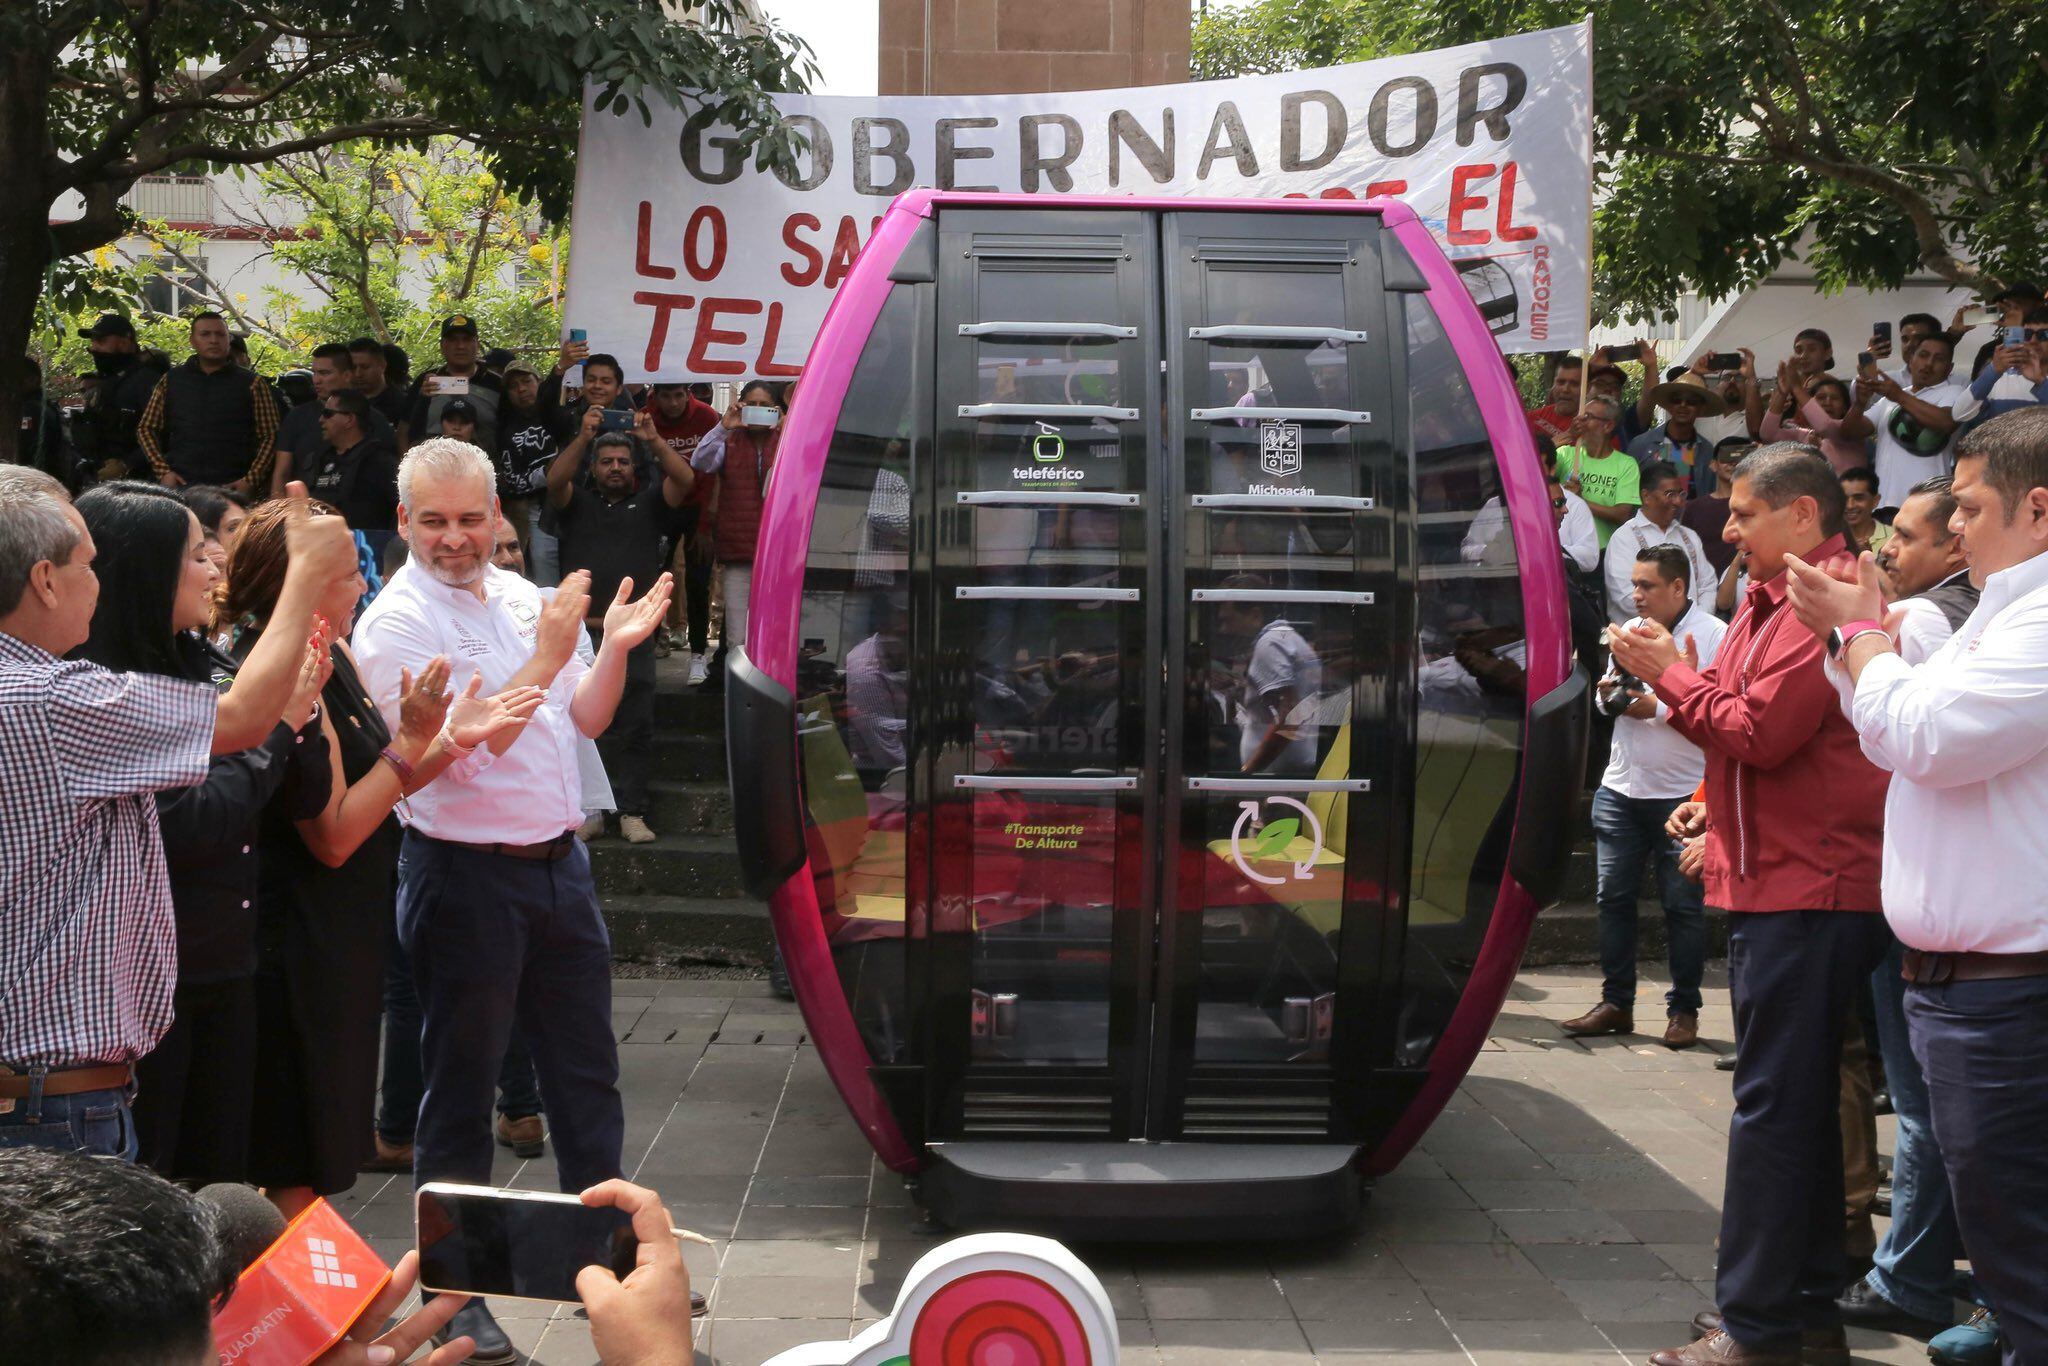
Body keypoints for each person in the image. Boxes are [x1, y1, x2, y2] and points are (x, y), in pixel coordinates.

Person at [352, 438, 671, 1361]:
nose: (454, 540)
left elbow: (586, 718)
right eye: (434, 521)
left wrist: (606, 649)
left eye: (470, 520)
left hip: (556, 865)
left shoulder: (526, 598)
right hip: (463, 874)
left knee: (586, 1075)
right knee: (460, 1089)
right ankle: (459, 1296)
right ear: (404, 522)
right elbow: (472, 742)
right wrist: (549, 651)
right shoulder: (396, 623)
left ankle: (613, 1272)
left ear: (499, 517)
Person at [1612, 445, 1891, 1366]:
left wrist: (1667, 673)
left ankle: (1758, 1323)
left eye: (1742, 514)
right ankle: (1798, 1309)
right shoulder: (1768, 601)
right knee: (1794, 1103)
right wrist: (1712, 799)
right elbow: (1742, 729)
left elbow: (1760, 732)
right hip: (1779, 874)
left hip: (1810, 885)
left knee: (1774, 1107)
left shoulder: (1830, 602)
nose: (1725, 531)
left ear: (1804, 517)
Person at [1785, 407, 2048, 1363]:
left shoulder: (2039, 618)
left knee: (2016, 1225)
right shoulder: (2003, 609)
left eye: (1970, 509)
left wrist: (1859, 638)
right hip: (1967, 982)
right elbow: (1899, 723)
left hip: (2008, 986)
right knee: (2005, 1221)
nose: (1955, 527)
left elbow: (1925, 740)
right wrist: (1853, 642)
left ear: (2039, 509)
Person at [0, 467, 358, 1157]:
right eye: (87, 566)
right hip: (55, 1097)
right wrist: (306, 577)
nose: (97, 586)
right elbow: (249, 720)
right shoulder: (55, 700)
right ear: (45, 580)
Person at [216, 500, 543, 1215]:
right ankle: (312, 1318)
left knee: (325, 1150)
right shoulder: (282, 670)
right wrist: (416, 744)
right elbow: (332, 833)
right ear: (294, 579)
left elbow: (387, 775)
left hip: (346, 933)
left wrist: (445, 738)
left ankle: (327, 1316)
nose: (362, 586)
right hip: (298, 937)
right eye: (342, 573)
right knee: (297, 1158)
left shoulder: (332, 653)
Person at [70, 482, 334, 1186]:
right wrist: (276, 726)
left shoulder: (210, 663)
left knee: (220, 1188)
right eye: (197, 552)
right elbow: (196, 824)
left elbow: (303, 796)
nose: (217, 563)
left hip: (233, 965)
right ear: (148, 569)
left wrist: (295, 724)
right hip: (150, 993)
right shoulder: (104, 690)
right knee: (152, 1190)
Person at [1808, 474, 1975, 1342]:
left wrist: (1856, 629)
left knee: (1918, 1101)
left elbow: (1898, 737)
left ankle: (1907, 1274)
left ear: (1956, 545)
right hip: (1912, 886)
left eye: (1905, 536)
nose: (1884, 550)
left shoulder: (1925, 621)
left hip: (1919, 894)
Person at [1565, 544, 1727, 1048]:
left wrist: (1651, 705)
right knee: (1611, 899)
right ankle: (1617, 1003)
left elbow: (1712, 706)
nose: (1636, 595)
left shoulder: (1714, 635)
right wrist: (1619, 698)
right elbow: (1607, 692)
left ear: (1679, 587)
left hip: (1682, 793)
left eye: (1648, 586)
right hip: (1620, 786)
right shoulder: (1630, 632)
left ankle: (1685, 1012)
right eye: (1634, 584)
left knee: (1683, 907)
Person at [548, 417, 694, 844]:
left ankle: (632, 812)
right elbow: (555, 481)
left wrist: (653, 440)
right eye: (607, 461)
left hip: (633, 635)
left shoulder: (650, 504)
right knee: (582, 726)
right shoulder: (576, 504)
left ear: (635, 468)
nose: (615, 467)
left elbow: (684, 479)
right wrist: (584, 438)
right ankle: (590, 811)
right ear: (593, 468)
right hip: (579, 636)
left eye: (623, 462)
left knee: (635, 724)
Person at [691, 380, 785, 683]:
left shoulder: (787, 439)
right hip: (739, 551)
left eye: (765, 406)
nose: (757, 412)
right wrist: (724, 425)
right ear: (740, 405)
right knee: (737, 638)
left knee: (777, 631)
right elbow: (700, 461)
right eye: (751, 405)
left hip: (779, 556)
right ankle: (738, 699)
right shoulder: (728, 441)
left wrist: (788, 427)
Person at [135, 311, 282, 493]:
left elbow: (270, 435)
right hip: (181, 484)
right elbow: (146, 428)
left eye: (220, 334)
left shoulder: (252, 382)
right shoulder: (172, 380)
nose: (213, 340)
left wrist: (251, 480)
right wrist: (163, 472)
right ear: (193, 341)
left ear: (228, 340)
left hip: (231, 486)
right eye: (205, 334)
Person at [641, 382, 722, 676]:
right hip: (661, 507)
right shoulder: (645, 417)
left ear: (688, 393)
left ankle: (698, 653)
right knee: (653, 579)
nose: (673, 403)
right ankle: (649, 642)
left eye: (679, 396)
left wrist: (704, 525)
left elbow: (713, 471)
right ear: (656, 396)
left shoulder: (707, 417)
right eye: (666, 396)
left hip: (698, 507)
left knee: (698, 581)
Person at [1845, 334, 1982, 503]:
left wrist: (1898, 395)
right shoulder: (1890, 396)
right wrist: (1859, 404)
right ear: (1911, 360)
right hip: (1884, 503)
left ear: (1949, 368)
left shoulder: (1955, 392)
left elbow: (1945, 423)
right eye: (1923, 355)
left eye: (1938, 359)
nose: (1929, 363)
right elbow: (1849, 433)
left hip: (1930, 503)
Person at [1601, 461, 1716, 625]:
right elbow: (1625, 597)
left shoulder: (1689, 536)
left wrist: (1694, 621)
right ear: (1646, 496)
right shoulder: (1624, 538)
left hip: (1693, 634)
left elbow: (1708, 586)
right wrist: (1679, 618)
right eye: (1670, 494)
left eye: (1681, 494)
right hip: (1641, 639)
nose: (1677, 501)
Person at [272, 343, 391, 495]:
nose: (316, 380)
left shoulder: (374, 419)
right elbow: (281, 473)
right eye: (314, 373)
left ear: (347, 375)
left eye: (324, 373)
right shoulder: (297, 416)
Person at [298, 389, 400, 557]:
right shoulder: (319, 459)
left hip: (366, 552)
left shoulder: (380, 462)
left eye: (328, 413)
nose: (321, 419)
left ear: (349, 419)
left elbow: (401, 508)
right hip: (319, 549)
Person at [71, 312, 167, 484]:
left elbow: (164, 435)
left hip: (141, 483)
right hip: (102, 481)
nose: (93, 348)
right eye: (92, 341)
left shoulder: (147, 381)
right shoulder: (107, 382)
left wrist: (126, 465)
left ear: (124, 342)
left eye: (100, 341)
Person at [494, 361, 559, 580]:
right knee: (544, 570)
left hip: (575, 505)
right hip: (537, 511)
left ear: (539, 382)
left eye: (526, 381)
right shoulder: (506, 431)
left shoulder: (561, 415)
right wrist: (549, 473)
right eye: (513, 386)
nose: (521, 389)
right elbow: (514, 481)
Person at [402, 315, 504, 453]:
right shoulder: (426, 381)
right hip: (431, 467)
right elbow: (403, 431)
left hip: (483, 468)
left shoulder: (496, 384)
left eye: (466, 340)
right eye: (453, 340)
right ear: (442, 346)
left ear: (477, 344)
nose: (460, 346)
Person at [1553, 394, 1640, 549]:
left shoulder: (1626, 465)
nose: (1579, 422)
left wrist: (1580, 500)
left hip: (1604, 552)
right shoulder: (1565, 454)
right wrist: (1567, 435)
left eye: (1587, 417)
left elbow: (1622, 514)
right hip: (1565, 548)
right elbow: (1532, 468)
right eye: (1580, 416)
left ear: (1608, 426)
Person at [1630, 373, 1725, 494]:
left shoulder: (1706, 451)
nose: (1683, 405)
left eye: (1691, 402)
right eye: (1677, 400)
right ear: (1669, 405)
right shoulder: (1642, 444)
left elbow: (1709, 496)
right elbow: (1629, 496)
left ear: (1701, 408)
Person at [1764, 368, 1866, 475]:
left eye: (1835, 398)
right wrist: (1782, 393)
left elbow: (1825, 426)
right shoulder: (1804, 435)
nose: (1828, 402)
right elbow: (1768, 434)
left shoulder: (1850, 430)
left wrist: (1796, 387)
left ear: (1845, 408)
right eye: (1821, 398)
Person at [1962, 305, 2048, 424]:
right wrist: (1993, 370)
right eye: (2027, 333)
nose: (2033, 341)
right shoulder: (2000, 375)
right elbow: (1960, 414)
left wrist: (2041, 382)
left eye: (2045, 335)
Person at [1682, 438, 1750, 580]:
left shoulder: (1757, 506)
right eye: (1726, 457)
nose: (1733, 463)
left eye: (1740, 457)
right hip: (1704, 587)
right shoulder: (1693, 508)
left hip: (1745, 585)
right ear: (1713, 465)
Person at [347, 335, 411, 430]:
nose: (358, 374)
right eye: (353, 367)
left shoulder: (403, 405)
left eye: (365, 367)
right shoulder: (342, 402)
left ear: (382, 366)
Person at [1526, 354, 1583, 444]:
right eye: (1561, 382)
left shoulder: (1594, 430)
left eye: (1574, 384)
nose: (1565, 389)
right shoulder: (1530, 418)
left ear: (1587, 388)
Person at [1834, 466, 1891, 557]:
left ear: (1875, 501)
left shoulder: (1892, 538)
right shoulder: (1828, 538)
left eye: (1858, 498)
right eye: (1844, 498)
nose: (1850, 505)